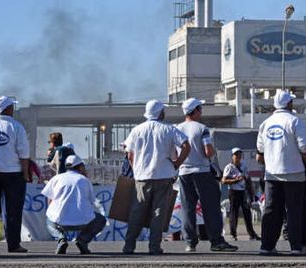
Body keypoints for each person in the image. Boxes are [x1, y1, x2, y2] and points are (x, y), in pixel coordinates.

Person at [122, 99, 191, 255]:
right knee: (158, 213)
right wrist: (177, 163)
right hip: (164, 176)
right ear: (160, 113)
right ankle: (154, 246)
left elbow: (129, 154)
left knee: (136, 212)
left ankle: (129, 246)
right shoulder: (169, 129)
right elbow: (186, 146)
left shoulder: (137, 130)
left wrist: (136, 169)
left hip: (142, 177)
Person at [176, 98, 237, 252]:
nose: (201, 111)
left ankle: (190, 242)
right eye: (200, 108)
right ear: (195, 110)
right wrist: (213, 152)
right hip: (202, 171)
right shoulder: (202, 128)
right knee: (210, 207)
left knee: (188, 208)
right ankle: (216, 241)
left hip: (183, 172)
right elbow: (208, 151)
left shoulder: (176, 128)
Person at [256, 89, 306, 255]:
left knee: (271, 210)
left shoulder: (265, 123)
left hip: (272, 174)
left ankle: (266, 245)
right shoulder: (295, 121)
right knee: (294, 211)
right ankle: (295, 246)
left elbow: (260, 150)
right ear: (289, 104)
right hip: (294, 173)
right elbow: (304, 147)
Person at [42, 155, 106, 254]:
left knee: (48, 218)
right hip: (83, 221)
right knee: (101, 220)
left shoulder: (57, 178)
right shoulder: (84, 180)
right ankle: (82, 240)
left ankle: (61, 239)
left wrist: (54, 213)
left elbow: (50, 200)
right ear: (80, 167)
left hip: (60, 221)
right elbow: (91, 201)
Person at [0, 96, 29, 253]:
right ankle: (13, 244)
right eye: (11, 107)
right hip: (13, 173)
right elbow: (24, 154)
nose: (13, 110)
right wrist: (26, 173)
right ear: (7, 109)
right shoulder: (16, 126)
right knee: (13, 210)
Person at [222, 147, 261, 241]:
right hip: (234, 192)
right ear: (232, 156)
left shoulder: (244, 165)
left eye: (239, 155)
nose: (238, 157)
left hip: (243, 192)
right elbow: (223, 181)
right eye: (236, 155)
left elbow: (248, 179)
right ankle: (233, 234)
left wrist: (252, 193)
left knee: (247, 213)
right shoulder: (229, 167)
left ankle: (252, 234)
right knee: (234, 213)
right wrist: (235, 180)